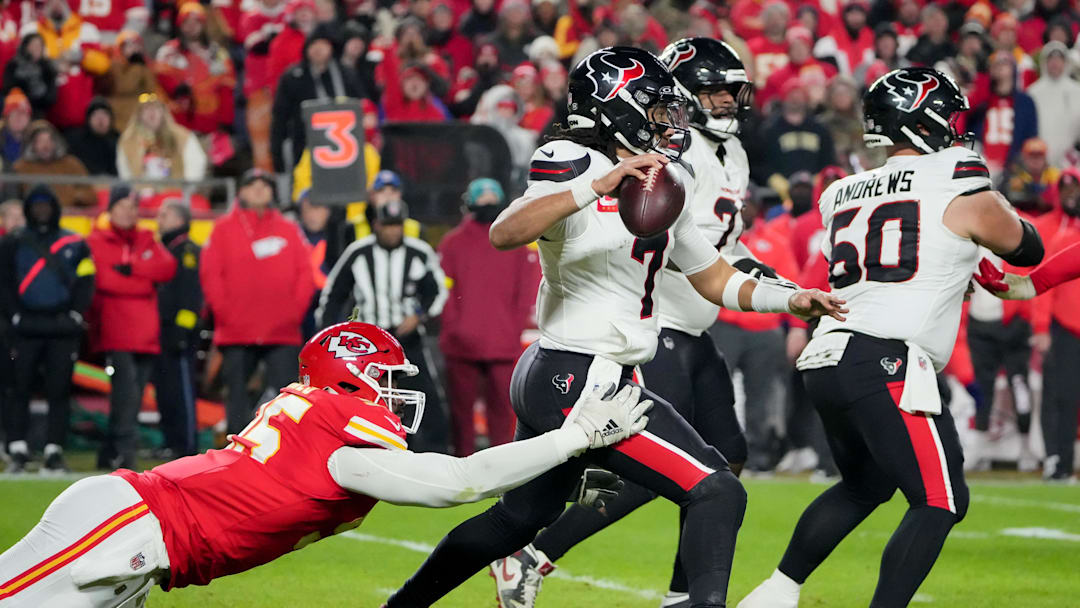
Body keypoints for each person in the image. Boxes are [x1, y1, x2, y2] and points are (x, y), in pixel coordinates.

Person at [383, 46, 845, 608]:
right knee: (717, 491)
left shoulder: (663, 180)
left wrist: (791, 298)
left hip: (600, 375)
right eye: (653, 110)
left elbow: (715, 277)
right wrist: (597, 186)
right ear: (614, 107)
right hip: (577, 372)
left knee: (518, 520)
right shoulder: (571, 160)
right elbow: (505, 232)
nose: (667, 123)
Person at [0, 321, 653, 606]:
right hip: (125, 527)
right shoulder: (338, 440)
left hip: (145, 548)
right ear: (348, 379)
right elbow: (460, 483)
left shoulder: (315, 416)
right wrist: (576, 436)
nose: (398, 394)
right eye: (385, 379)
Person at [738, 67, 1044, 608]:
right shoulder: (956, 178)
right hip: (883, 357)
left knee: (865, 486)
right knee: (942, 500)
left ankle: (773, 593)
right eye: (946, 120)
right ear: (924, 121)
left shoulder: (840, 191)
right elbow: (1027, 248)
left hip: (827, 354)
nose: (954, 131)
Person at [490, 39, 764, 608]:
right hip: (649, 328)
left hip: (695, 327)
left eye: (727, 91)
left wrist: (778, 291)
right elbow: (678, 252)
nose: (722, 103)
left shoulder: (728, 156)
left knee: (726, 457)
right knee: (671, 469)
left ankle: (681, 593)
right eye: (709, 91)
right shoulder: (650, 163)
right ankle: (533, 553)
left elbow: (720, 253)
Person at [973, 168, 1080, 481]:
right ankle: (1056, 461)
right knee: (1059, 395)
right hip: (1065, 326)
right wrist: (1024, 288)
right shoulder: (1051, 229)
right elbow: (1060, 265)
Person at [318, 199, 450, 453]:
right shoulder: (358, 253)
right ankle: (364, 448)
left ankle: (433, 452)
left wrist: (419, 315)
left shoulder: (419, 252)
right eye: (387, 225)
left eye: (397, 225)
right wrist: (330, 334)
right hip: (369, 344)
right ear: (375, 225)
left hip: (407, 338)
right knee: (364, 397)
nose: (392, 231)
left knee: (427, 397)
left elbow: (437, 291)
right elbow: (333, 295)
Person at [200, 169, 315, 436]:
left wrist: (293, 313)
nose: (260, 190)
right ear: (241, 191)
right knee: (237, 401)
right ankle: (238, 457)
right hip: (237, 330)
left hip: (282, 331)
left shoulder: (289, 229)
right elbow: (210, 275)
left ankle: (289, 452)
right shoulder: (222, 230)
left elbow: (305, 274)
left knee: (290, 400)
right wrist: (226, 314)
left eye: (266, 185)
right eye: (253, 184)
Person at [438, 178, 540, 456]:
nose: (486, 206)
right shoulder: (452, 243)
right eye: (481, 201)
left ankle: (501, 471)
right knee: (461, 417)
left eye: (491, 201)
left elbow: (525, 293)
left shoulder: (517, 243)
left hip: (501, 343)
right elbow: (443, 291)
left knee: (503, 416)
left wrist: (513, 328)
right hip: (462, 346)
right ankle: (462, 469)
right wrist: (455, 328)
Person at [0, 185, 94, 473]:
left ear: (55, 208)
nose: (42, 210)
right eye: (36, 205)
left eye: (46, 205)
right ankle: (17, 448)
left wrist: (77, 313)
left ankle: (54, 449)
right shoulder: (13, 242)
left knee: (59, 390)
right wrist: (14, 316)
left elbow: (87, 279)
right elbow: (4, 282)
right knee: (18, 388)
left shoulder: (74, 243)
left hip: (61, 328)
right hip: (25, 329)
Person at [88, 185, 177, 470]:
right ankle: (124, 454)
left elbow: (167, 268)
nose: (129, 212)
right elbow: (105, 280)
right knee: (125, 396)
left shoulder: (146, 238)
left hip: (145, 334)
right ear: (110, 210)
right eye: (123, 206)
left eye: (132, 206)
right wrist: (144, 279)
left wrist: (133, 270)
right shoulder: (97, 240)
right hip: (116, 331)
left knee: (133, 396)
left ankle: (109, 452)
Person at [270, 22, 365, 173]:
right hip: (303, 146)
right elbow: (280, 118)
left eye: (323, 44)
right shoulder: (292, 77)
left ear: (332, 48)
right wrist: (277, 154)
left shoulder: (346, 75)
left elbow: (363, 107)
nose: (318, 49)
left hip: (345, 148)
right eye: (314, 44)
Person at [153, 201, 203, 458]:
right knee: (166, 390)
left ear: (179, 220)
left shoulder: (186, 251)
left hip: (179, 333)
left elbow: (190, 294)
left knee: (182, 391)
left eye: (164, 215)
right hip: (162, 331)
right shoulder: (167, 249)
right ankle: (171, 442)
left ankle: (186, 445)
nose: (158, 219)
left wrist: (182, 332)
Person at [117, 93, 208, 183]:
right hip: (142, 192)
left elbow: (196, 163)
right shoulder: (128, 140)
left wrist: (186, 188)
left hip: (175, 192)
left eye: (156, 108)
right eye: (147, 108)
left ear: (163, 112)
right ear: (139, 114)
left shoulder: (182, 136)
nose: (152, 112)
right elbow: (125, 172)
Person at [12, 120, 95, 207]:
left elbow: (91, 196)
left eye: (49, 140)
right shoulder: (20, 167)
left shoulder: (71, 164)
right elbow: (12, 199)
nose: (46, 146)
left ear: (56, 142)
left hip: (70, 217)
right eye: (40, 141)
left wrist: (70, 195)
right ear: (32, 145)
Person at [1, 34, 57, 116]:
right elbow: (8, 88)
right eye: (34, 45)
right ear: (25, 47)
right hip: (17, 111)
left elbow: (51, 96)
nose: (37, 48)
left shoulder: (47, 67)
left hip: (40, 112)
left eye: (40, 45)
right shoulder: (14, 65)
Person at [66, 97, 119, 176]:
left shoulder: (119, 140)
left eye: (104, 114)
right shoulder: (77, 141)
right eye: (95, 114)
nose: (100, 119)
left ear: (111, 118)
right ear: (88, 119)